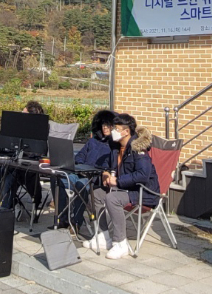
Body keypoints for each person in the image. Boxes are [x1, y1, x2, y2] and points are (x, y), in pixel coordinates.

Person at [83, 113, 159, 260]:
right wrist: (106, 173)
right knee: (95, 193)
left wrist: (117, 181)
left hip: (143, 192)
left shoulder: (138, 149)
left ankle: (120, 242)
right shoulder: (116, 147)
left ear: (126, 132)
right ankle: (103, 236)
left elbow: (143, 175)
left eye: (116, 129)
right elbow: (110, 166)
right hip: (124, 189)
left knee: (112, 198)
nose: (113, 131)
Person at [54, 109, 115, 230]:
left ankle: (76, 222)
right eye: (103, 124)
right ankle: (62, 219)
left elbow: (112, 166)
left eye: (108, 125)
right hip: (80, 172)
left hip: (94, 178)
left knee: (80, 185)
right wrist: (80, 165)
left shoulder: (114, 146)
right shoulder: (92, 141)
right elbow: (80, 156)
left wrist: (102, 171)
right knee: (59, 178)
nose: (105, 128)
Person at [0, 100, 47, 209]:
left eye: (24, 113)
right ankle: (12, 200)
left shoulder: (39, 130)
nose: (21, 115)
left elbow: (39, 152)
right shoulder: (18, 128)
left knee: (9, 178)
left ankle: (5, 210)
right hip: (14, 162)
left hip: (27, 167)